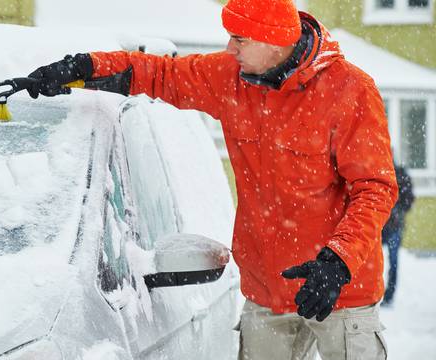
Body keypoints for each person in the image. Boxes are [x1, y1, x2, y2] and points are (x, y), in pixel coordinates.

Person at [26, 0, 398, 358]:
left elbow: (375, 189)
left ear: (274, 41)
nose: (230, 48)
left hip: (339, 289)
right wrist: (84, 67)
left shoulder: (349, 90)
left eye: (240, 39)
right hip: (267, 290)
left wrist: (338, 261)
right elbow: (155, 74)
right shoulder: (231, 78)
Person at [381, 162, 414, 306]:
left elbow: (409, 199)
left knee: (393, 262)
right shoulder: (379, 170)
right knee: (370, 260)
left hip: (394, 227)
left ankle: (389, 296)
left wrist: (397, 211)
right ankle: (371, 293)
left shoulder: (400, 174)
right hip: (380, 225)